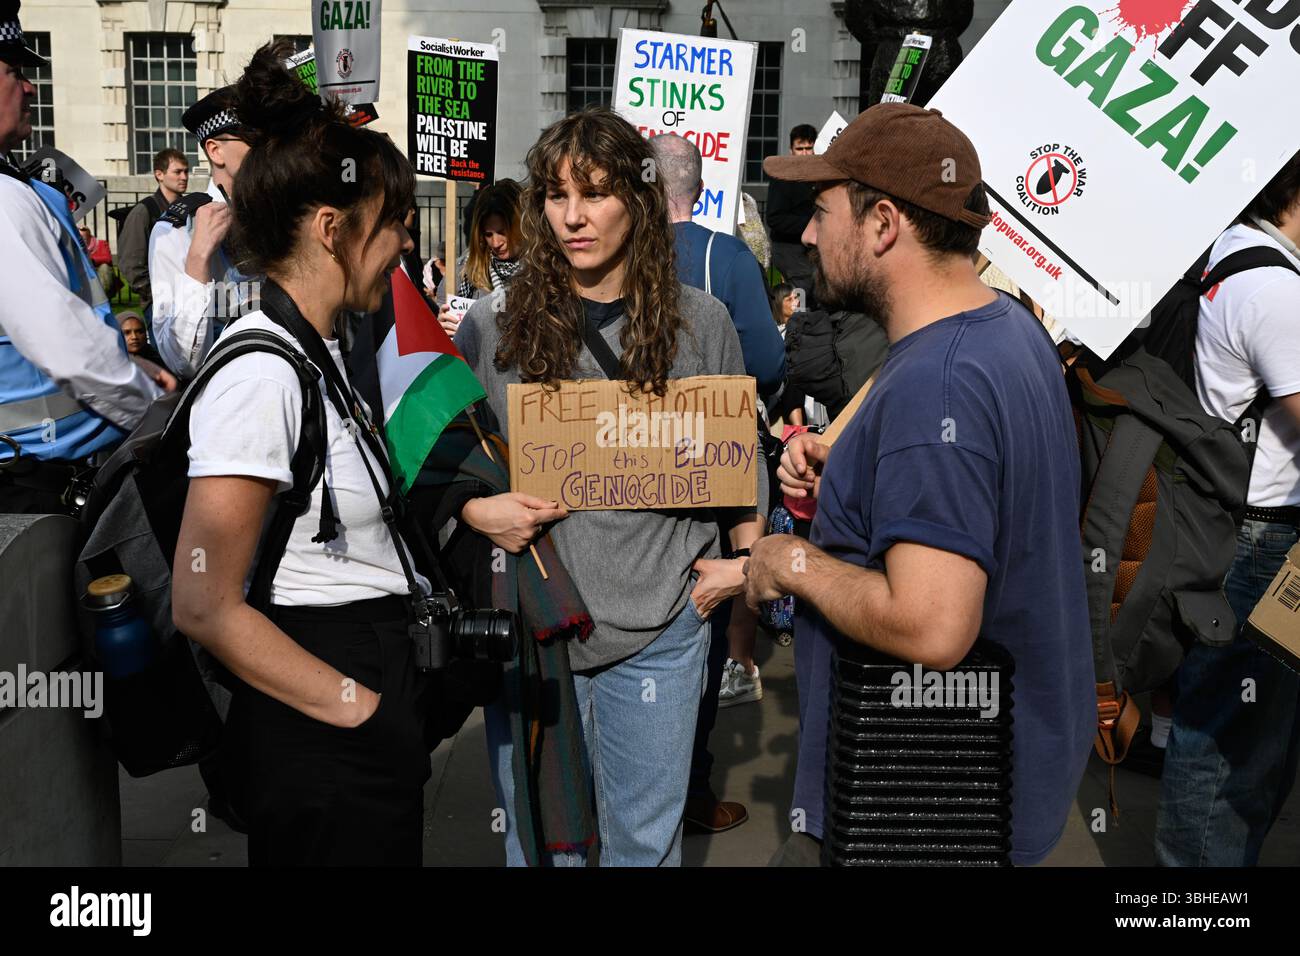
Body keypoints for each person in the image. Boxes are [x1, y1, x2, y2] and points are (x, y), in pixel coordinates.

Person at [743, 103, 1094, 867]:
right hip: (982, 785)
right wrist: (854, 456)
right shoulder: (1004, 325)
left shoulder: (936, 386)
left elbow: (934, 626)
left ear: (883, 223)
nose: (806, 234)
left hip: (920, 810)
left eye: (822, 210)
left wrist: (784, 562)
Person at [451, 106, 766, 866]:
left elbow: (736, 464)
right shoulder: (492, 326)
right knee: (542, 849)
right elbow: (442, 459)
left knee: (640, 851)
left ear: (639, 196)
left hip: (660, 632)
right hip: (536, 629)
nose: (572, 217)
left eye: (594, 193)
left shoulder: (702, 323)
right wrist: (473, 507)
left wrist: (742, 573)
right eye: (556, 196)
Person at [170, 41, 433, 866]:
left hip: (353, 722)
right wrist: (358, 705)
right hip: (324, 737)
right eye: (393, 222)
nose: (401, 243)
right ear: (332, 228)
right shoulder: (261, 371)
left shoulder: (314, 348)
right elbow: (204, 602)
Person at [1155, 153, 1300, 867]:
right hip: (1264, 541)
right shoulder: (1276, 289)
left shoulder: (1232, 255)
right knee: (1229, 743)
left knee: (1241, 731)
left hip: (1232, 523)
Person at [650, 130, 784, 833]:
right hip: (709, 462)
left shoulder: (615, 257)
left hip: (621, 460)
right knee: (702, 615)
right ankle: (690, 792)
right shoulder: (724, 256)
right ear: (699, 192)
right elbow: (765, 361)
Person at [0, 0, 166, 514]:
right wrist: (155, 410)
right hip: (37, 484)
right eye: (13, 70)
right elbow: (67, 348)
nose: (29, 87)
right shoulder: (4, 201)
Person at [148, 86, 256, 379]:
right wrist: (198, 259)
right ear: (215, 150)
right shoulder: (176, 231)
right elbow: (182, 362)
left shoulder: (286, 217)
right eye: (254, 139)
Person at [436, 178, 523, 335]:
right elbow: (438, 316)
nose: (496, 243)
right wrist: (440, 325)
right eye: (488, 234)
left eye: (503, 232)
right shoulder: (463, 272)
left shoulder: (542, 270)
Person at [117, 147, 189, 320]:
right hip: (160, 305)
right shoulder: (144, 211)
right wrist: (157, 296)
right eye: (177, 172)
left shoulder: (190, 208)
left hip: (191, 301)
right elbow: (131, 264)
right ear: (159, 174)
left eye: (186, 171)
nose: (184, 177)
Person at [764, 124, 818, 307]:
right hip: (789, 249)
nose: (804, 153)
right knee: (802, 291)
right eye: (800, 149)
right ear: (791, 150)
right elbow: (774, 218)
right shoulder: (782, 179)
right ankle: (797, 328)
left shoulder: (818, 178)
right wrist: (810, 223)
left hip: (809, 250)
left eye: (808, 148)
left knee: (812, 291)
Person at [78, 223, 119, 297]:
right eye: (80, 237)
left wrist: (91, 259)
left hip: (99, 270)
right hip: (83, 271)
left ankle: (103, 297)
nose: (83, 239)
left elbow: (108, 259)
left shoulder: (101, 243)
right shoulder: (76, 247)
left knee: (105, 267)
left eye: (84, 237)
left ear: (89, 235)